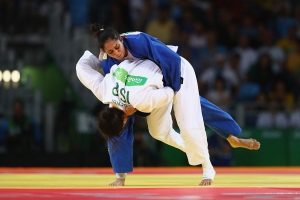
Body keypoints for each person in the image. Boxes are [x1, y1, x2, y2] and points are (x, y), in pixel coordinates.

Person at [76, 50, 260, 186]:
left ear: (124, 120)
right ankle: (206, 146)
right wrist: (99, 58)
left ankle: (208, 167)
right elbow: (82, 67)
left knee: (191, 116)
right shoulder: (104, 91)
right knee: (158, 132)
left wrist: (101, 57)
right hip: (148, 81)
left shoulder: (140, 100)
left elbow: (170, 93)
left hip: (171, 74)